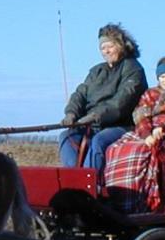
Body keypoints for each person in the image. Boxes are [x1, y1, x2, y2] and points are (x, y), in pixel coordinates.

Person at [102, 56, 165, 213]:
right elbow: (141, 115)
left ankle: (140, 201)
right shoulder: (150, 94)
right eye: (162, 77)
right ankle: (118, 196)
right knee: (115, 148)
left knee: (140, 151)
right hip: (147, 131)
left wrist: (163, 127)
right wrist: (147, 134)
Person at [59, 23, 147, 174]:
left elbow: (122, 102)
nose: (106, 51)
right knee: (66, 137)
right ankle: (74, 179)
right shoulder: (96, 71)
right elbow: (80, 93)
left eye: (110, 46)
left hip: (122, 125)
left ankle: (89, 183)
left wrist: (96, 116)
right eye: (102, 48)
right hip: (91, 125)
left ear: (121, 45)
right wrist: (71, 113)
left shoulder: (133, 69)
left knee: (99, 140)